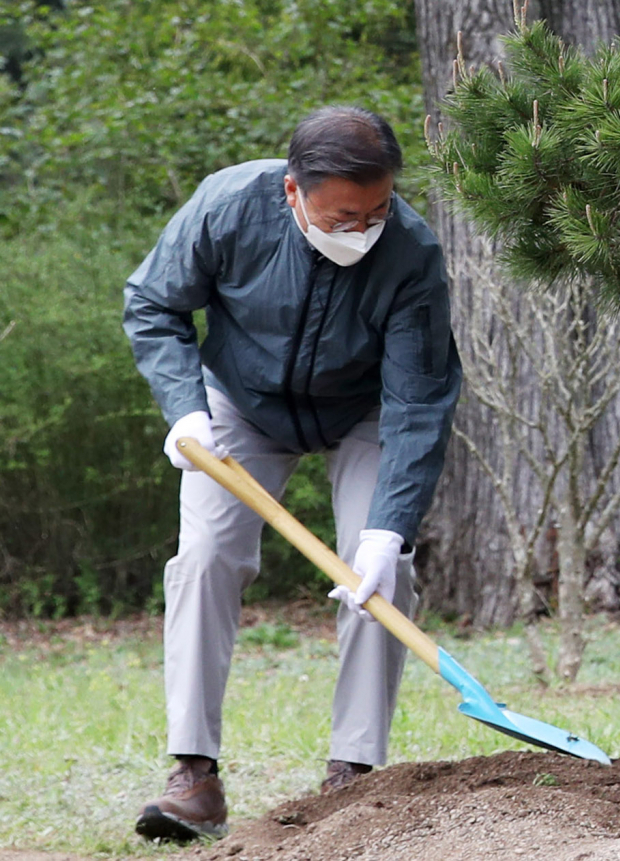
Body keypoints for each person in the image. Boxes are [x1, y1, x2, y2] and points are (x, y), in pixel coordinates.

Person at [122, 106, 462, 842]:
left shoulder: (411, 254)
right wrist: (184, 409)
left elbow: (418, 399)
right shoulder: (226, 207)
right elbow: (153, 303)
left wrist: (386, 529)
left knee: (382, 573)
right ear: (292, 194)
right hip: (237, 405)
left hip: (364, 408)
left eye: (377, 211)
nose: (363, 229)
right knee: (207, 555)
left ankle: (352, 776)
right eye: (344, 216)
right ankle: (194, 774)